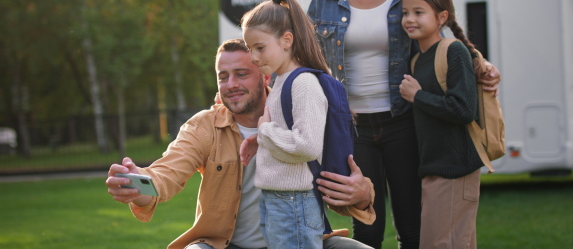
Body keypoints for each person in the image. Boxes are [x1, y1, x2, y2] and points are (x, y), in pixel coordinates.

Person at [307, 0, 501, 248]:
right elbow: (307, 54)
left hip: (404, 122)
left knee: (412, 227)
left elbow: (440, 39)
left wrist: (482, 65)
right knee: (366, 227)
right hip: (352, 127)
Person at [105, 38, 376, 249]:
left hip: (303, 239)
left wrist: (363, 194)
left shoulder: (300, 114)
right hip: (224, 245)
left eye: (241, 74)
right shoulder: (204, 126)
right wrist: (135, 183)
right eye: (223, 77)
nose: (231, 84)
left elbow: (345, 191)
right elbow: (165, 175)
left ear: (266, 76)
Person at [240, 0, 339, 248]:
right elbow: (283, 131)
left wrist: (265, 133)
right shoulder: (281, 81)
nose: (253, 57)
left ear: (286, 40)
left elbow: (307, 145)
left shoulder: (303, 83)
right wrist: (260, 140)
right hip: (279, 199)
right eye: (250, 49)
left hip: (293, 203)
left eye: (260, 48)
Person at [399, 0, 484, 248]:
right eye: (405, 13)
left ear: (442, 17)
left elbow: (463, 109)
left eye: (418, 12)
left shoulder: (453, 51)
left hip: (454, 171)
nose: (409, 19)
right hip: (435, 169)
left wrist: (418, 96)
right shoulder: (417, 59)